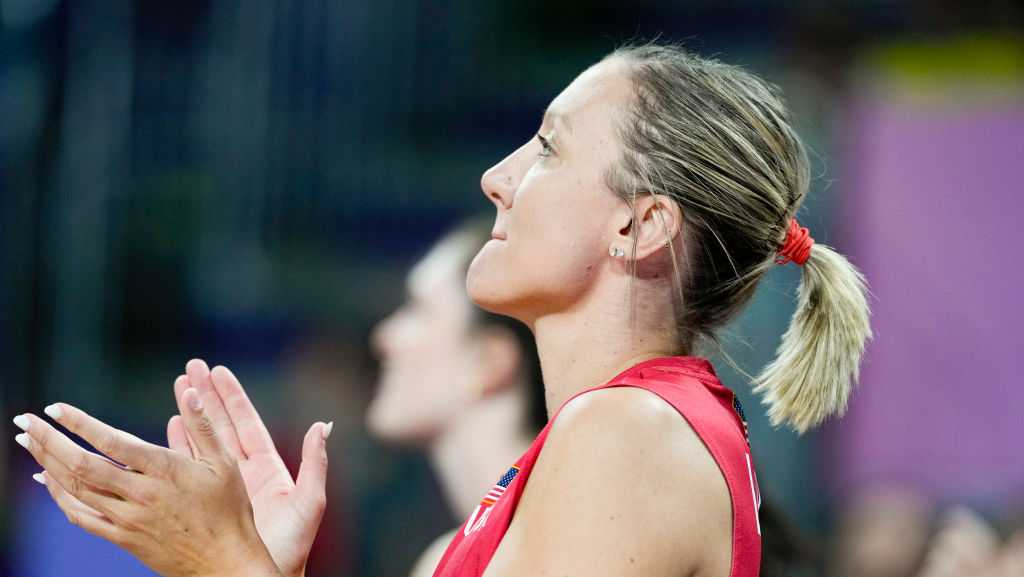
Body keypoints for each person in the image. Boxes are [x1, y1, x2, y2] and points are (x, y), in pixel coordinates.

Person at [12, 42, 871, 577]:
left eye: (547, 147)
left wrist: (223, 565)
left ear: (639, 224)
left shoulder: (629, 434)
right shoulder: (608, 434)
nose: (497, 176)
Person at [364, 217, 546, 577]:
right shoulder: (447, 557)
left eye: (417, 309)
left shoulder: (553, 536)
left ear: (489, 363)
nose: (384, 337)